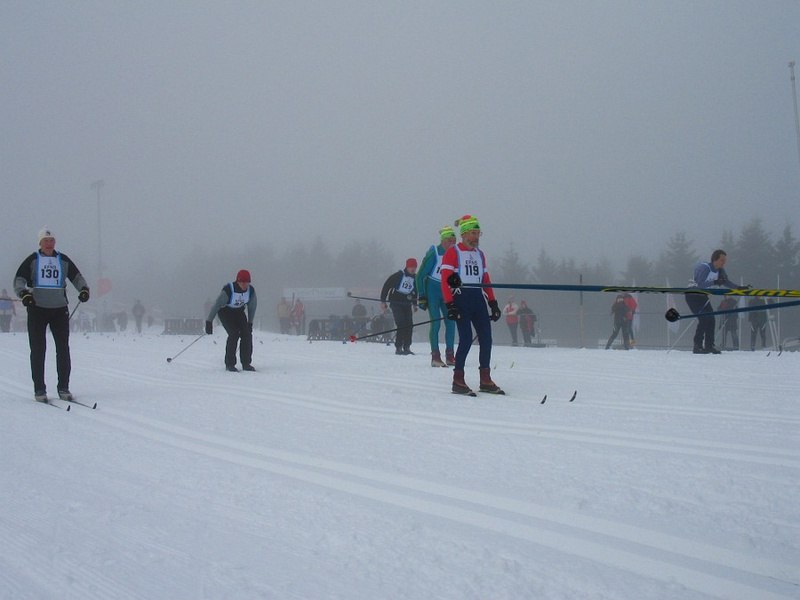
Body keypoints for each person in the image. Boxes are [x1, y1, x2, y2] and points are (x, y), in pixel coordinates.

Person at [13, 227, 90, 402]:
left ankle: (63, 387)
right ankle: (39, 389)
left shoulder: (63, 259)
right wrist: (24, 294)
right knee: (38, 349)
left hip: (59, 309)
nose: (49, 244)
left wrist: (84, 289)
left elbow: (76, 277)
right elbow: (19, 280)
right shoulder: (33, 259)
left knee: (63, 349)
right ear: (40, 243)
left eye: (51, 240)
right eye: (46, 241)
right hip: (37, 309)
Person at [440, 214, 503, 395]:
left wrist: (493, 303)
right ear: (464, 234)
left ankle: (485, 379)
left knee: (486, 338)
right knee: (466, 338)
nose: (476, 237)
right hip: (461, 299)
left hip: (478, 299)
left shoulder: (480, 254)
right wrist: (450, 305)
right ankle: (458, 379)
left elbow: (485, 279)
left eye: (478, 233)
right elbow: (445, 280)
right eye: (473, 233)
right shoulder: (453, 252)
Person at [685, 249, 747, 354]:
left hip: (703, 296)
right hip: (693, 295)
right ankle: (697, 346)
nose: (724, 263)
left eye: (725, 260)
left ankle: (709, 346)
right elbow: (700, 284)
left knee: (711, 319)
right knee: (704, 319)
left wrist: (739, 288)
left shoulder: (720, 271)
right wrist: (715, 282)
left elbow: (726, 282)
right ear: (715, 259)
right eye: (722, 260)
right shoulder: (705, 268)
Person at [415, 226, 458, 367]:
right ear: (443, 241)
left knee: (451, 322)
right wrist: (422, 295)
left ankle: (450, 355)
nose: (452, 244)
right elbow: (420, 275)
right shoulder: (435, 253)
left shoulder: (455, 254)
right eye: (449, 241)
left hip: (446, 292)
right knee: (436, 323)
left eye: (454, 241)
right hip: (432, 292)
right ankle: (435, 356)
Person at [206, 269, 258, 372]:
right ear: (237, 281)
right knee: (234, 334)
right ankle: (230, 364)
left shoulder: (250, 291)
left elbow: (252, 307)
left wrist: (250, 322)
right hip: (225, 312)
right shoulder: (229, 290)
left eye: (246, 282)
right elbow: (216, 305)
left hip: (239, 312)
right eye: (242, 282)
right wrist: (209, 321)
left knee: (247, 334)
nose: (244, 285)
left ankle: (246, 363)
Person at [381, 258, 418, 355]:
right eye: (411, 267)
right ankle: (398, 347)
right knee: (401, 324)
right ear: (407, 267)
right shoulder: (398, 275)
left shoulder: (415, 278)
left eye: (414, 267)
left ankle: (407, 347)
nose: (413, 269)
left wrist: (414, 304)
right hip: (396, 303)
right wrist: (383, 301)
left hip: (407, 304)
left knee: (409, 324)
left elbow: (415, 291)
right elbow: (386, 286)